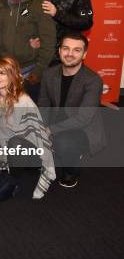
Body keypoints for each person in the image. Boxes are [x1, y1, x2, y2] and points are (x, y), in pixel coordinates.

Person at [0, 57, 55, 201]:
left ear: (12, 76)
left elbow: (37, 138)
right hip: (8, 145)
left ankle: (13, 183)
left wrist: (1, 154)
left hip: (33, 153)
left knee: (16, 143)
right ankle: (4, 164)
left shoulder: (23, 102)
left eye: (2, 73)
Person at [38, 33, 105, 188]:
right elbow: (43, 104)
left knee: (64, 143)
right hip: (57, 120)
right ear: (60, 51)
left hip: (83, 127)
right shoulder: (49, 74)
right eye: (66, 48)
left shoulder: (93, 81)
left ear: (84, 54)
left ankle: (71, 171)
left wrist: (50, 130)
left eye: (76, 50)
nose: (70, 54)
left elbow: (83, 118)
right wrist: (40, 126)